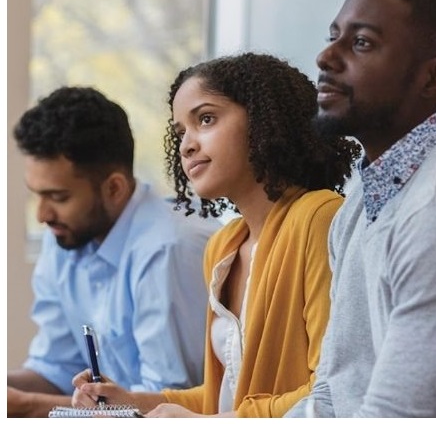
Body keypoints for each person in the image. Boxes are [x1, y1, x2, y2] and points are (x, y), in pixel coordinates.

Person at [71, 52, 362, 417]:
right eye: (180, 132)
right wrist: (130, 402)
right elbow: (225, 396)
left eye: (206, 119)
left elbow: (332, 392)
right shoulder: (224, 247)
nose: (187, 145)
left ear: (264, 121)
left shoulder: (319, 218)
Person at [286, 0, 436, 418]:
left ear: (435, 76)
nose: (326, 57)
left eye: (361, 43)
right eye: (334, 37)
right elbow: (333, 393)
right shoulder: (362, 199)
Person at [7, 86, 219, 417]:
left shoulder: (169, 249)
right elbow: (55, 370)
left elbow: (165, 405)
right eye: (38, 195)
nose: (42, 215)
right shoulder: (64, 237)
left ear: (114, 188)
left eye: (59, 197)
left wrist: (27, 407)